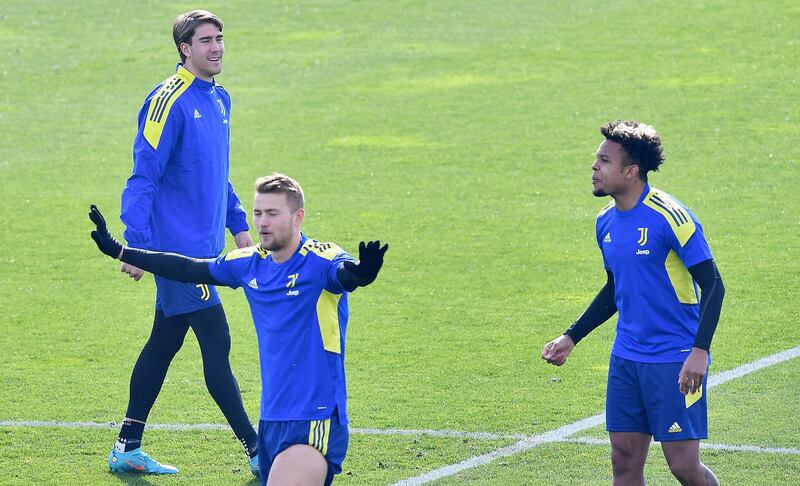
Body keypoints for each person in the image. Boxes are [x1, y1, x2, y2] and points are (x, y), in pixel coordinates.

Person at [90, 173, 388, 485]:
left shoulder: (321, 259)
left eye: (273, 214)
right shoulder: (251, 262)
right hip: (271, 423)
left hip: (315, 419)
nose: (263, 223)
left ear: (298, 216)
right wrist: (120, 251)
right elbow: (186, 268)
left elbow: (344, 275)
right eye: (258, 213)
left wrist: (362, 274)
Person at [108, 10, 259, 476]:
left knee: (164, 341)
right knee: (217, 339)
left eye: (220, 39)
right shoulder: (166, 102)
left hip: (207, 249)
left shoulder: (219, 98)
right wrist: (136, 245)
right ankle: (258, 451)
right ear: (184, 49)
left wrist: (238, 225)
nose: (216, 48)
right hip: (177, 253)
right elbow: (143, 175)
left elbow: (217, 170)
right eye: (206, 41)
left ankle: (127, 445)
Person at [542, 120, 724, 486]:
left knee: (683, 466)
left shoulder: (670, 217)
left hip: (674, 358)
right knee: (623, 462)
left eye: (604, 160)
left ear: (631, 170)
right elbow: (615, 288)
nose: (594, 167)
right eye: (596, 159)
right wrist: (572, 336)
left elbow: (713, 285)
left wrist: (699, 351)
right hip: (626, 358)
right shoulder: (605, 222)